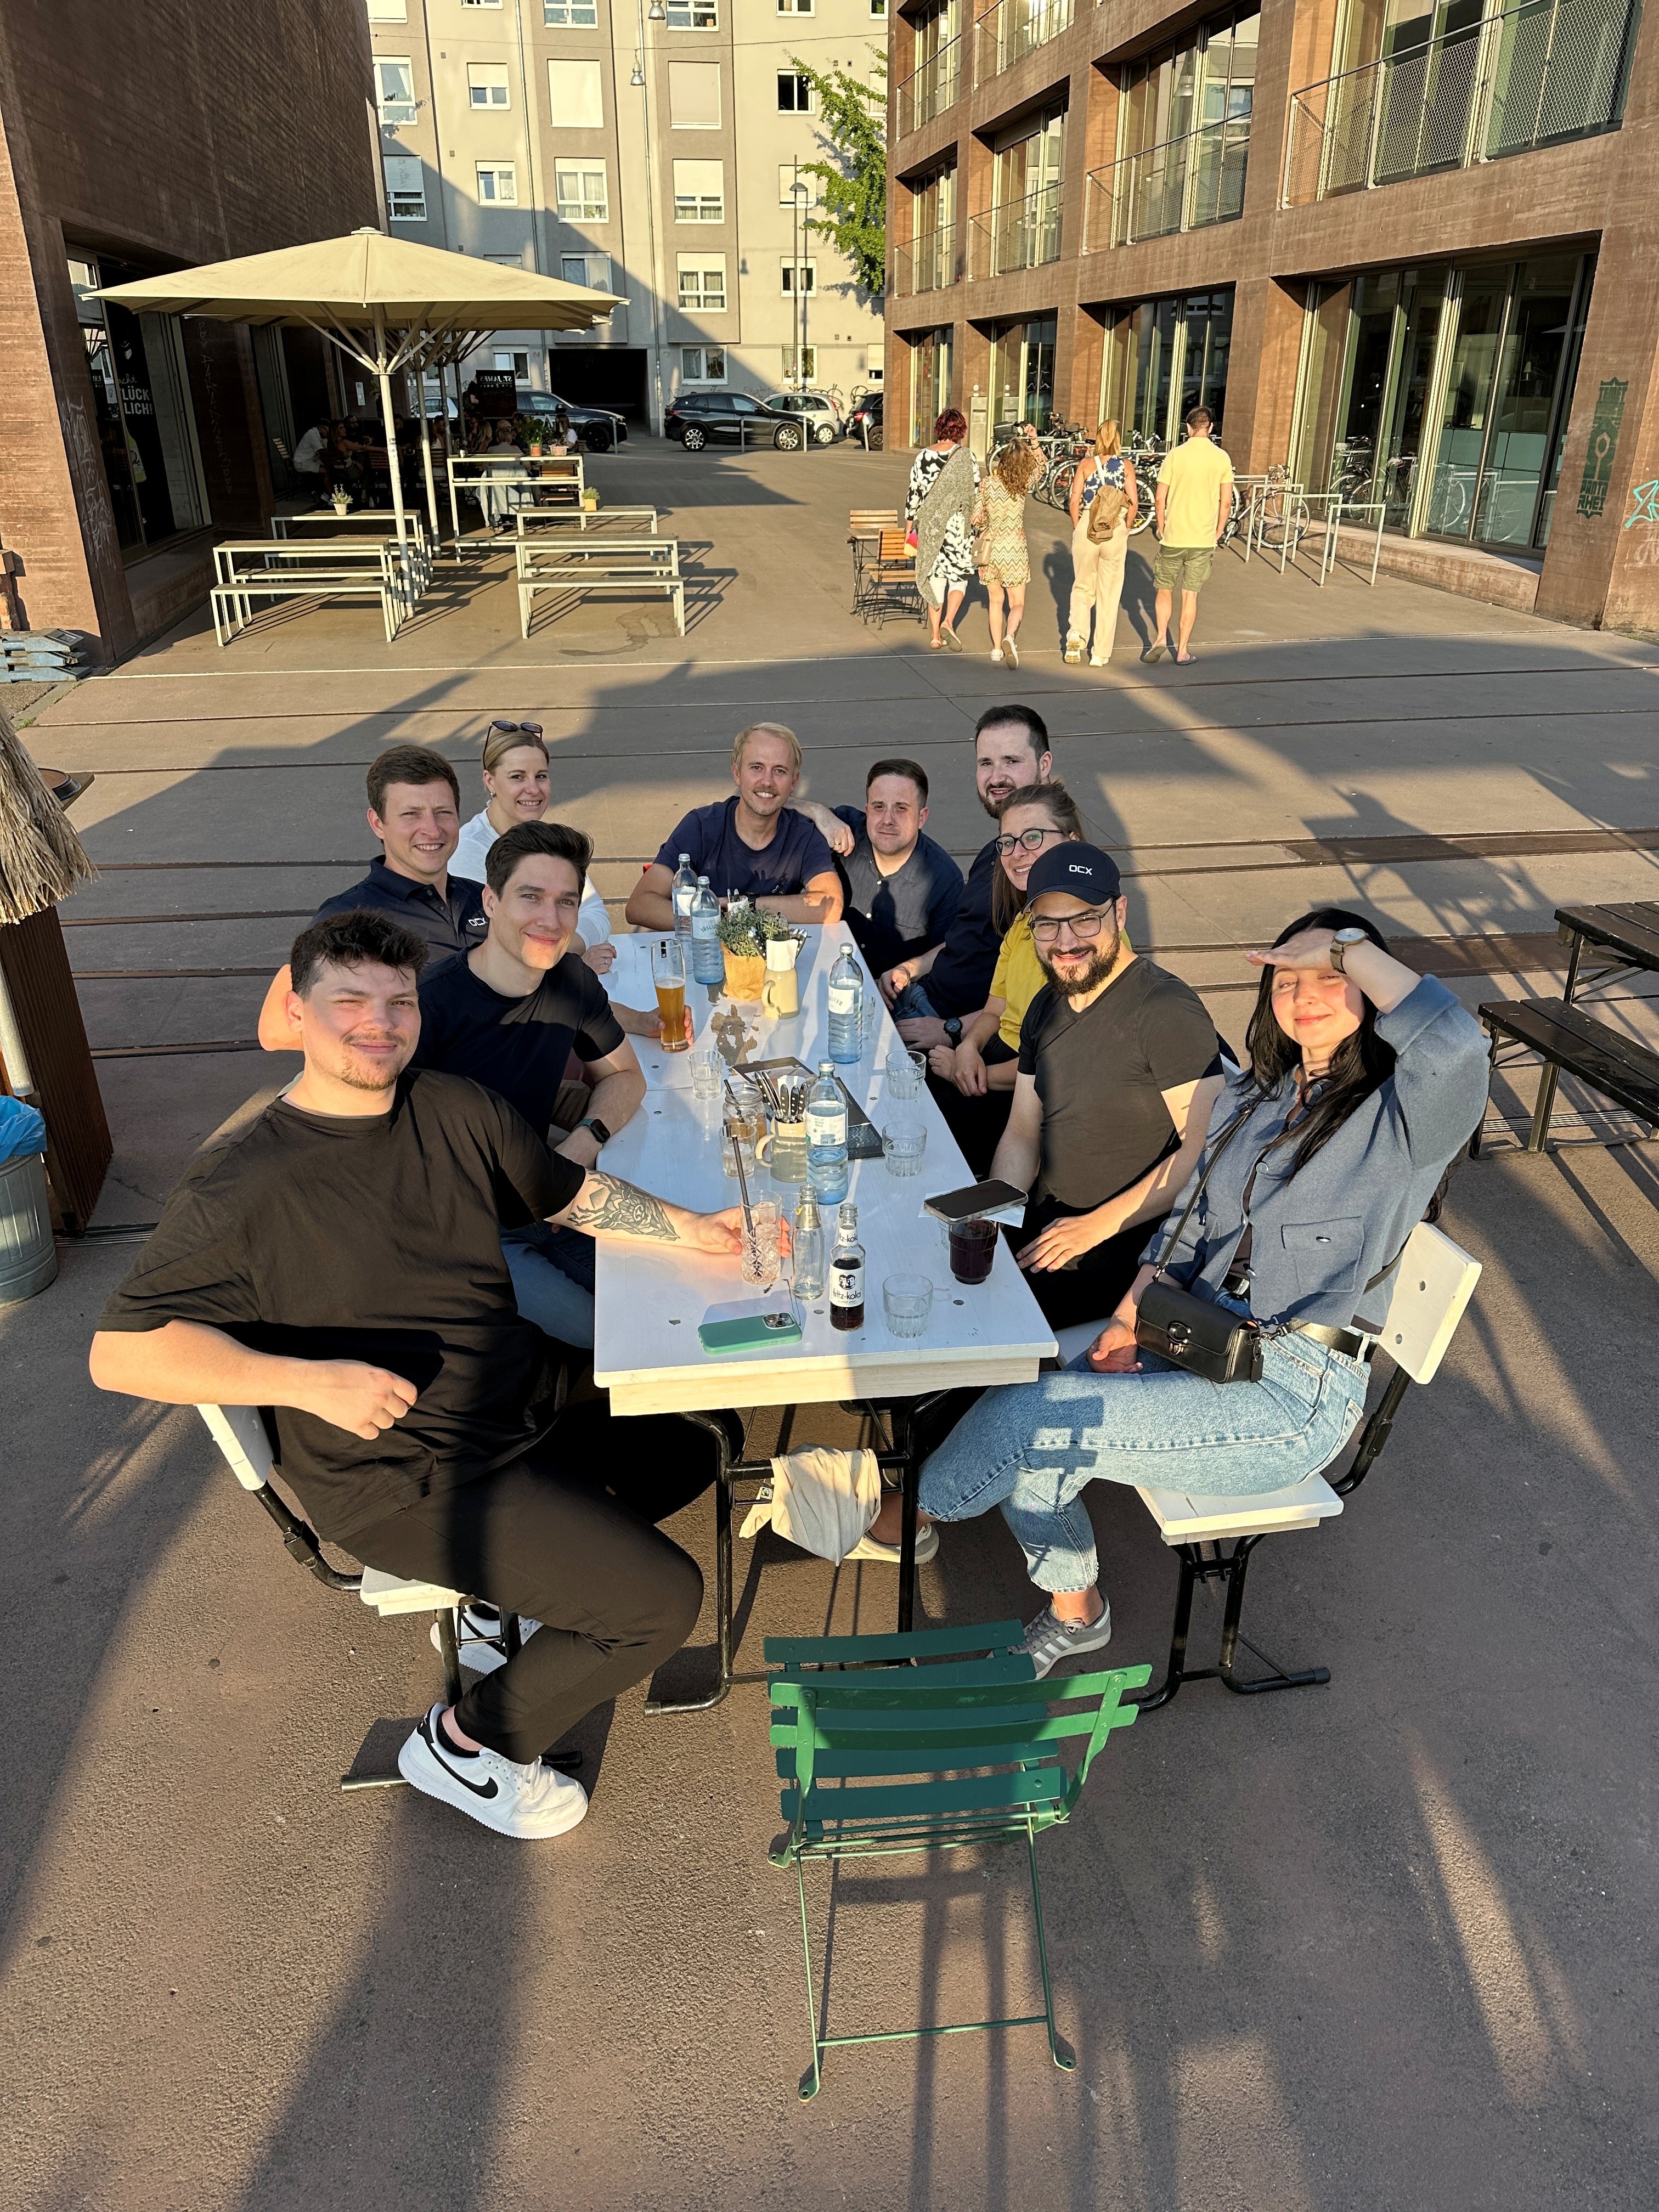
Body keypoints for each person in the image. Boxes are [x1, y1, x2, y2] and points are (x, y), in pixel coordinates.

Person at [89, 908, 757, 1838]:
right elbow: (121, 1352)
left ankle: (507, 1591)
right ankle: (468, 1743)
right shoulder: (242, 1181)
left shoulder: (452, 1107)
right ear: (296, 1011)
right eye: (349, 1001)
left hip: (514, 1402)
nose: (379, 1023)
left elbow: (570, 1195)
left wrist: (699, 1232)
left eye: (398, 1002)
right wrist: (309, 1383)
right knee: (660, 1602)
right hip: (406, 1475)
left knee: (699, 1434)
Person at [901, 909, 1492, 1677]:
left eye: (1331, 979)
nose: (1305, 996)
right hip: (1199, 1337)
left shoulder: (1404, 1117)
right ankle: (1078, 1614)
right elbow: (1187, 1226)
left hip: (1292, 1395)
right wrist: (1125, 1320)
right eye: (1288, 980)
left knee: (1034, 1418)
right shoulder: (1258, 1097)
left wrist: (1346, 948)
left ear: (1371, 990)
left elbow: (1457, 1046)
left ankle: (900, 1516)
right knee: (1041, 1408)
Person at [414, 821, 650, 1351]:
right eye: (531, 897)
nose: (551, 919)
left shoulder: (571, 981)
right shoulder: (430, 1007)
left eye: (567, 902)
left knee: (657, 1295)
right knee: (609, 1338)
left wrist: (580, 1147)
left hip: (551, 1196)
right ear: (490, 901)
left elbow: (627, 1076)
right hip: (473, 1233)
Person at [989, 841, 1226, 1330]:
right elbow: (1022, 1133)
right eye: (1048, 925)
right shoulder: (1046, 1006)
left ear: (1119, 913)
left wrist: (1092, 1228)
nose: (1065, 942)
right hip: (1049, 1226)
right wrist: (993, 1215)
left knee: (987, 1326)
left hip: (1123, 1243)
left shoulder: (1165, 1010)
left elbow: (1207, 1153)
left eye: (1084, 920)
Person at [255, 743, 486, 1051]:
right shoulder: (349, 914)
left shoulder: (486, 899)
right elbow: (277, 1030)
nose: (432, 830)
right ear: (378, 824)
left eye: (443, 813)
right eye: (411, 815)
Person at [927, 778, 1085, 1176]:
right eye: (1007, 842)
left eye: (1033, 838)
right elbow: (995, 1009)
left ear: (1072, 841)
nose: (1017, 853)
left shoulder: (1085, 940)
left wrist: (969, 1073)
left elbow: (1055, 1063)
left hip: (1036, 1091)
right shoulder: (1022, 922)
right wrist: (969, 1047)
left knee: (924, 1129)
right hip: (999, 1058)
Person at [885, 704, 1053, 1046]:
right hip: (921, 996)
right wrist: (912, 968)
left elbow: (1045, 994)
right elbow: (966, 938)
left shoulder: (1043, 864)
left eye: (1011, 761)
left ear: (1044, 764)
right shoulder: (996, 849)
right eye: (986, 763)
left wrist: (953, 1029)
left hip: (946, 1029)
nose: (996, 777)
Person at [625, 723, 843, 930]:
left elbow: (831, 906)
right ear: (737, 773)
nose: (767, 781)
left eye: (779, 771)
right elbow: (640, 905)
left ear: (794, 782)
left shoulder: (803, 834)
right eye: (757, 767)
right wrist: (716, 924)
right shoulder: (701, 827)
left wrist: (743, 907)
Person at [453, 720, 614, 973]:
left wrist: (563, 951)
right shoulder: (468, 852)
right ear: (490, 781)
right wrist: (570, 964)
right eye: (518, 777)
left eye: (541, 776)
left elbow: (595, 913)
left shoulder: (546, 840)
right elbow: (489, 946)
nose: (533, 789)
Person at [810, 759, 962, 980]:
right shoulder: (844, 827)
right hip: (824, 976)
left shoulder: (943, 880)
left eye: (901, 808)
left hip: (894, 996)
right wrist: (817, 812)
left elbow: (948, 950)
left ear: (922, 817)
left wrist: (909, 970)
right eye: (879, 807)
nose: (887, 820)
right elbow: (775, 808)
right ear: (867, 810)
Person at [1144, 406, 1234, 667]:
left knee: (1164, 589)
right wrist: (1218, 531)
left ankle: (1161, 638)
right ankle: (1182, 651)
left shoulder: (1175, 455)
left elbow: (1160, 498)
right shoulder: (1222, 458)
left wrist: (1161, 525)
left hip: (1174, 536)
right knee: (1190, 595)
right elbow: (1226, 502)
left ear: (1188, 428)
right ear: (1211, 428)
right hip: (1202, 539)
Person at [907, 408, 980, 653]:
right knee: (958, 578)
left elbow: (914, 494)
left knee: (935, 577)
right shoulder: (966, 456)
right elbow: (975, 492)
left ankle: (935, 636)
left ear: (939, 428)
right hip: (958, 525)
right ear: (960, 431)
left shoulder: (922, 457)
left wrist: (909, 528)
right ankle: (949, 621)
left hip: (930, 524)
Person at [1065, 421, 1137, 668]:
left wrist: (1078, 525)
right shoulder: (1126, 466)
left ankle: (1077, 635)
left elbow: (1074, 500)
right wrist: (1126, 527)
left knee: (1082, 586)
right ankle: (1100, 654)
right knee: (1109, 593)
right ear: (1117, 439)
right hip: (1114, 527)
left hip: (1088, 525)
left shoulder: (1086, 465)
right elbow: (1133, 503)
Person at [973, 428, 1041, 668]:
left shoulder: (987, 484)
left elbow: (976, 518)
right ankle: (1010, 637)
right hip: (1015, 549)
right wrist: (1034, 441)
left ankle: (995, 650)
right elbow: (1041, 467)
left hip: (990, 548)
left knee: (995, 601)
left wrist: (986, 525)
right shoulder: (1022, 484)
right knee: (1017, 603)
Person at [292, 420, 327, 491]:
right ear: (321, 427)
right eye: (327, 430)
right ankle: (326, 493)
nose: (327, 433)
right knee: (327, 471)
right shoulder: (313, 435)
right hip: (302, 463)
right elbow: (321, 451)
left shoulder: (317, 435)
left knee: (329, 468)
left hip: (309, 460)